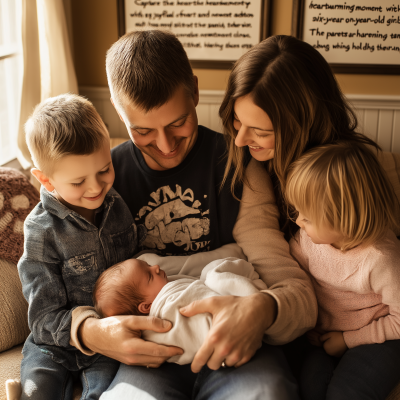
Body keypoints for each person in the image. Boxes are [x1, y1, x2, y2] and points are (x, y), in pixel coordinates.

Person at [69, 30, 317, 400]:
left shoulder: (237, 168)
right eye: (143, 131)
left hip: (236, 352)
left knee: (267, 392)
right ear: (118, 115)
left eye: (177, 123)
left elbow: (296, 291)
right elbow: (65, 286)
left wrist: (264, 309)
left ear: (196, 92)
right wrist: (90, 331)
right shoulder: (103, 181)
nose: (166, 146)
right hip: (151, 360)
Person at [218, 34, 400, 398]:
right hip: (301, 319)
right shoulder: (251, 165)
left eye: (261, 130)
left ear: (299, 123)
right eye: (238, 122)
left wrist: (350, 339)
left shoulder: (355, 175)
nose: (240, 140)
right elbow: (271, 256)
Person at [18, 94, 141, 400]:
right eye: (78, 182)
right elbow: (42, 317)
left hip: (107, 345)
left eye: (104, 170)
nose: (96, 187)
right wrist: (85, 326)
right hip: (51, 346)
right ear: (46, 180)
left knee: (103, 393)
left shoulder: (117, 205)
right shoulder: (40, 230)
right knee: (35, 391)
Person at [286, 142, 400, 400]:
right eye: (298, 211)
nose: (298, 220)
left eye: (309, 217)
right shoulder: (306, 238)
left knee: (347, 393)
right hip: (322, 336)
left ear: (346, 218)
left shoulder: (381, 259)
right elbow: (291, 280)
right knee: (310, 390)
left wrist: (348, 339)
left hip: (378, 335)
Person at [93, 249, 267, 365]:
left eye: (148, 265)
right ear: (146, 307)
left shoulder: (166, 286)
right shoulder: (168, 303)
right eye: (149, 275)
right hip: (229, 336)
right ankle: (252, 291)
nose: (156, 267)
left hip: (238, 332)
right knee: (213, 275)